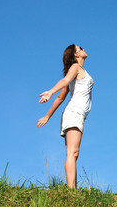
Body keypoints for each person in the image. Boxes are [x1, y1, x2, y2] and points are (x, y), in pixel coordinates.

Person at [37, 44, 94, 188]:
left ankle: (73, 189)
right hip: (74, 112)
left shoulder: (79, 71)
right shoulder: (75, 68)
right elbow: (64, 81)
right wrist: (50, 92)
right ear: (76, 54)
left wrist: (47, 116)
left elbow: (61, 98)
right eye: (80, 48)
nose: (83, 48)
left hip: (77, 114)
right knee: (72, 152)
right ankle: (71, 191)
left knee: (74, 153)